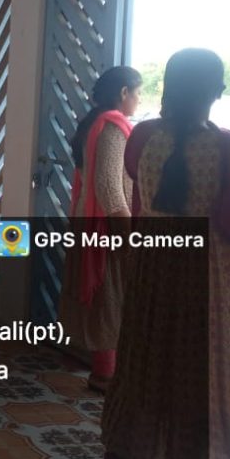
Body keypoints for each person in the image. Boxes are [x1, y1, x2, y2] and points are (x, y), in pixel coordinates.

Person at [97, 48, 230, 459]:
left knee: (138, 372)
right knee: (193, 376)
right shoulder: (224, 147)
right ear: (216, 91)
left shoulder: (143, 137)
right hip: (203, 279)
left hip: (150, 271)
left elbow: (138, 189)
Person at [58, 66, 141, 393]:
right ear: (123, 92)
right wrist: (127, 232)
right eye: (137, 93)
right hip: (106, 229)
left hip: (90, 223)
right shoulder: (112, 128)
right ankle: (106, 375)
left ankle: (103, 371)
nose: (138, 100)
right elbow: (108, 187)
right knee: (109, 300)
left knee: (102, 299)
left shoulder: (94, 123)